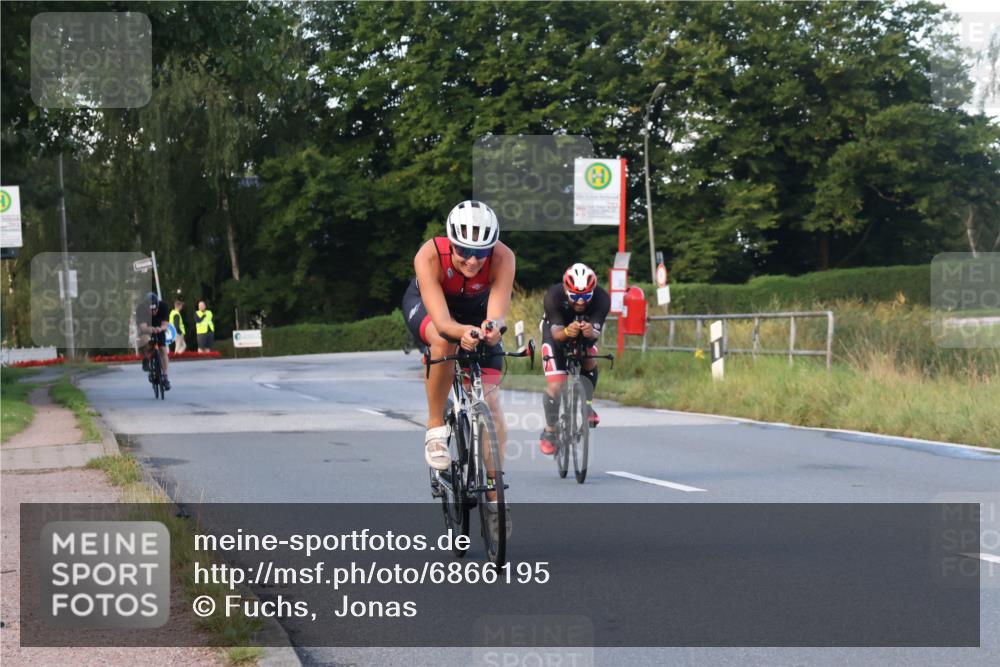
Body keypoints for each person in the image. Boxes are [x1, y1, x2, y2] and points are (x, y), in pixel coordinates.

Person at [402, 200, 515, 536]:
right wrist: (461, 332)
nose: (473, 260)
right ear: (451, 243)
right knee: (443, 342)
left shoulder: (504, 258)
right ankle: (436, 427)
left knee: (492, 406)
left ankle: (494, 499)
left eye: (481, 253)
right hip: (430, 308)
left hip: (475, 311)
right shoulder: (429, 255)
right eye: (464, 251)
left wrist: (492, 329)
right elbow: (443, 322)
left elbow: (496, 314)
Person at [538, 263, 610, 455]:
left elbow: (595, 333)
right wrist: (568, 331)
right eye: (575, 297)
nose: (580, 302)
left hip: (582, 334)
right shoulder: (554, 296)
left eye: (585, 297)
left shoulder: (602, 298)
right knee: (556, 385)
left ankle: (587, 406)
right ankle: (550, 431)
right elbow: (557, 335)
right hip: (555, 332)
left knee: (590, 358)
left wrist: (590, 331)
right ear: (566, 290)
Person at [136, 292, 171, 391]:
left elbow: (165, 324)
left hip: (158, 327)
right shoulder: (141, 309)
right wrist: (150, 329)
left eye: (155, 309)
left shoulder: (163, 306)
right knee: (146, 339)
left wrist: (160, 329)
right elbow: (143, 328)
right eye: (151, 310)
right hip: (146, 328)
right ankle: (146, 358)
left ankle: (165, 377)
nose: (154, 312)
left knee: (163, 350)